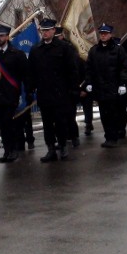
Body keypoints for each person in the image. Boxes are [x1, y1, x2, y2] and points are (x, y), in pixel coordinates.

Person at [28, 18, 80, 162]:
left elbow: (72, 70)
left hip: (60, 93)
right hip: (44, 93)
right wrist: (30, 88)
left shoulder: (64, 48)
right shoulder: (36, 50)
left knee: (61, 121)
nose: (44, 33)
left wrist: (73, 89)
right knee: (47, 123)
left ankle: (63, 146)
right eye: (42, 30)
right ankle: (51, 148)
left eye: (47, 30)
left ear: (53, 31)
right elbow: (31, 71)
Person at [85, 23, 127, 148]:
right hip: (100, 87)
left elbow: (124, 67)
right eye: (101, 34)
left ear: (110, 34)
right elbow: (89, 68)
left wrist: (122, 83)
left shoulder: (118, 49)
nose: (103, 36)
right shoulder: (94, 50)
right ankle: (108, 136)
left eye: (105, 34)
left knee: (113, 113)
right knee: (104, 113)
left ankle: (113, 137)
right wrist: (88, 82)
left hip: (113, 86)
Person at [0, 24, 29, 163]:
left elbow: (25, 74)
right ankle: (7, 150)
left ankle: (14, 150)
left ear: (7, 37)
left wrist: (27, 91)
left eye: (1, 36)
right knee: (2, 125)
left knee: (12, 124)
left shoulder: (17, 54)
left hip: (12, 95)